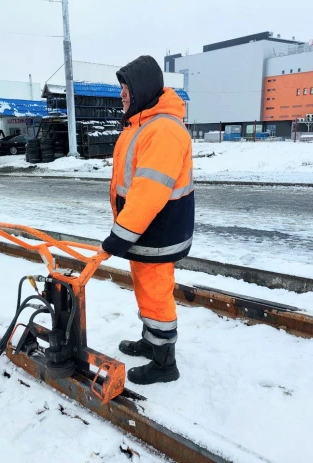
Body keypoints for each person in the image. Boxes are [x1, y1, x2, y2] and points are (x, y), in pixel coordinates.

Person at [99, 55, 194, 385]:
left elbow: (148, 192)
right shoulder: (141, 124)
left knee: (155, 295)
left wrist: (120, 235)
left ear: (141, 89)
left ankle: (165, 362)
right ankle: (152, 343)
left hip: (158, 232)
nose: (121, 95)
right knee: (147, 292)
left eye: (125, 88)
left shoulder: (163, 129)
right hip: (147, 233)